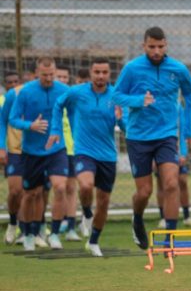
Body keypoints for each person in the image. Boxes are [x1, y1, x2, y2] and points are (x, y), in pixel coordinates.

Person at [113, 26, 191, 249]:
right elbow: (116, 95)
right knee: (144, 192)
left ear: (166, 45)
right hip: (138, 136)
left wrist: (188, 130)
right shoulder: (132, 68)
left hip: (167, 135)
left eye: (160, 46)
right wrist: (138, 101)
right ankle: (137, 219)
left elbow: (190, 96)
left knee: (171, 183)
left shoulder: (178, 69)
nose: (157, 51)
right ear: (144, 46)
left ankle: (170, 238)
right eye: (152, 47)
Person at [47, 58, 126, 257]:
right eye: (97, 72)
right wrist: (55, 129)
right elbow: (58, 105)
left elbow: (126, 126)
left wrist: (121, 119)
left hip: (107, 155)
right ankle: (87, 213)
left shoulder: (117, 96)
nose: (100, 76)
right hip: (84, 151)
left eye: (104, 72)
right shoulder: (77, 92)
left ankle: (93, 241)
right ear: (90, 73)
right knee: (85, 185)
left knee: (104, 201)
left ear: (110, 74)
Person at [9, 57, 70, 250]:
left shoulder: (63, 90)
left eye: (52, 74)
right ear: (37, 73)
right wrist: (30, 125)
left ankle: (54, 234)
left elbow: (78, 108)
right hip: (31, 152)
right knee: (31, 194)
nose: (49, 78)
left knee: (60, 188)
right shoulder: (26, 92)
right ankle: (27, 233)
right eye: (45, 75)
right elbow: (13, 119)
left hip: (56, 149)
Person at [54, 66, 82, 241]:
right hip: (56, 150)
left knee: (71, 188)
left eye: (65, 77)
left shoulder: (73, 98)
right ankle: (54, 223)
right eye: (59, 77)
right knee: (58, 188)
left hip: (73, 149)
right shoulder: (51, 100)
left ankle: (71, 226)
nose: (62, 80)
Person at [1, 72, 23, 245]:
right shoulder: (8, 98)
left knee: (34, 192)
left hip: (34, 152)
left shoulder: (35, 95)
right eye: (10, 82)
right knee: (15, 191)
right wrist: (2, 148)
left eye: (16, 81)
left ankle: (31, 228)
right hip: (13, 150)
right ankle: (13, 222)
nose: (13, 85)